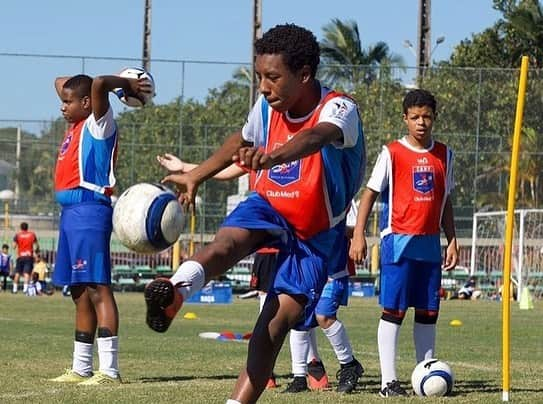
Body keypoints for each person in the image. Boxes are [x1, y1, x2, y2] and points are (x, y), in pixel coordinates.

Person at [146, 23, 365, 404]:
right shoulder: (267, 105)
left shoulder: (339, 108)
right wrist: (196, 174)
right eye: (261, 76)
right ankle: (177, 291)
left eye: (273, 77)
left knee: (272, 327)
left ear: (304, 75)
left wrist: (272, 156)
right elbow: (241, 139)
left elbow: (314, 137)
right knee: (226, 245)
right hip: (269, 205)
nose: (263, 86)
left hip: (315, 233)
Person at [349, 89, 458, 397]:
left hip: (430, 245)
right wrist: (359, 235)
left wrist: (452, 240)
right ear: (405, 119)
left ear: (434, 118)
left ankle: (427, 375)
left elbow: (446, 200)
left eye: (427, 117)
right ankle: (388, 383)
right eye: (415, 117)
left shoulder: (445, 155)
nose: (421, 123)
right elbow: (369, 193)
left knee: (428, 312)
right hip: (398, 241)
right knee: (394, 311)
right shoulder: (392, 153)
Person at [49, 72, 152, 385]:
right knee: (79, 292)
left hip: (89, 211)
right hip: (70, 215)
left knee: (97, 287)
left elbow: (96, 86)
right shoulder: (76, 123)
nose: (62, 107)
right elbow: (61, 81)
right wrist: (75, 91)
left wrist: (126, 85)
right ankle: (81, 366)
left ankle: (109, 370)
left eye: (69, 102)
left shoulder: (99, 122)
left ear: (86, 103)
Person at [284, 200, 364, 395]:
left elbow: (354, 228)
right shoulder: (301, 191)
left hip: (333, 268)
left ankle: (349, 365)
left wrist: (324, 225)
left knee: (324, 316)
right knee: (298, 319)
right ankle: (299, 378)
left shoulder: (342, 194)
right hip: (305, 265)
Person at [12, 222, 39, 294]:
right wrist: (36, 252)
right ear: (27, 227)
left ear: (21, 228)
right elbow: (36, 246)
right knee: (26, 273)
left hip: (20, 256)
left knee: (17, 273)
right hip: (28, 256)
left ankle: (15, 289)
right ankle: (25, 289)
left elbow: (13, 246)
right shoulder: (32, 234)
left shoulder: (17, 235)